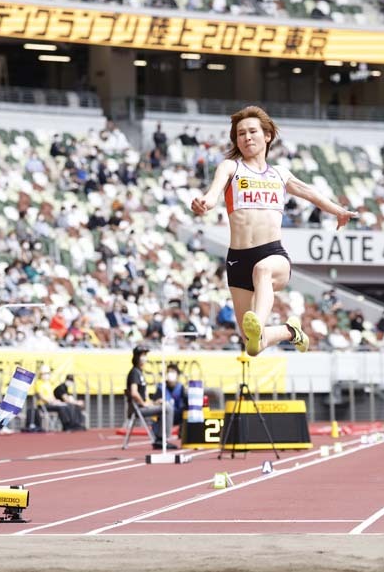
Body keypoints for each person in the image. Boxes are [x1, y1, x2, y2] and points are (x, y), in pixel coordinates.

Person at [190, 106, 357, 356]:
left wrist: (338, 211)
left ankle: (259, 322)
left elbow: (310, 192)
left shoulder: (279, 174)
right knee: (252, 345)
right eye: (240, 134)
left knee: (263, 269)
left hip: (272, 254)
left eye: (252, 131)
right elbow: (213, 195)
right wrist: (204, 203)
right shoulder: (230, 167)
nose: (246, 137)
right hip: (238, 260)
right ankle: (290, 332)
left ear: (267, 136)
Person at [126, 345, 176, 449]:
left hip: (142, 406)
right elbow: (134, 393)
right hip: (138, 409)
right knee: (167, 408)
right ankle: (163, 440)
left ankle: (159, 437)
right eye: (142, 355)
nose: (145, 357)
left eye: (145, 355)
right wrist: (143, 403)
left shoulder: (140, 372)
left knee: (164, 404)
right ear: (137, 357)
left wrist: (153, 402)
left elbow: (143, 396)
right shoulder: (134, 373)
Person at [33, 365, 81, 431]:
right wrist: (50, 401)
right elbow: (41, 396)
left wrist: (56, 401)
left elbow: (52, 395)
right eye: (45, 374)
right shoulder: (38, 383)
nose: (47, 375)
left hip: (52, 403)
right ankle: (66, 425)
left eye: (48, 374)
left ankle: (73, 424)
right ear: (41, 374)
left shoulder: (48, 383)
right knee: (61, 408)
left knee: (66, 406)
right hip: (43, 405)